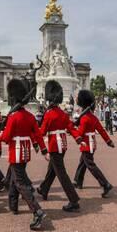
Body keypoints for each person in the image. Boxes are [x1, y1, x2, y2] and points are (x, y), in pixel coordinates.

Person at [0, 79, 48, 229]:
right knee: (13, 178)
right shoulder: (30, 116)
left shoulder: (13, 117)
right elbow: (37, 135)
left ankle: (36, 210)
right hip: (25, 153)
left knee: (20, 182)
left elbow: (6, 138)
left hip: (16, 151)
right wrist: (44, 150)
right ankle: (13, 205)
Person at [36, 80, 81, 212]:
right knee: (53, 169)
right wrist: (78, 139)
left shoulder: (49, 114)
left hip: (54, 145)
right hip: (63, 144)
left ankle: (73, 200)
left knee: (61, 174)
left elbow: (42, 132)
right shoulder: (63, 113)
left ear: (49, 99)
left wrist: (33, 137)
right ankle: (44, 189)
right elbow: (71, 128)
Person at [72, 90, 115, 197]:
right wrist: (108, 141)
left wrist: (71, 128)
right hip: (92, 143)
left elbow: (80, 133)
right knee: (83, 162)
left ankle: (105, 184)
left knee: (90, 165)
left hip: (87, 144)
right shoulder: (92, 117)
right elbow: (101, 130)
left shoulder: (85, 118)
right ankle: (78, 181)